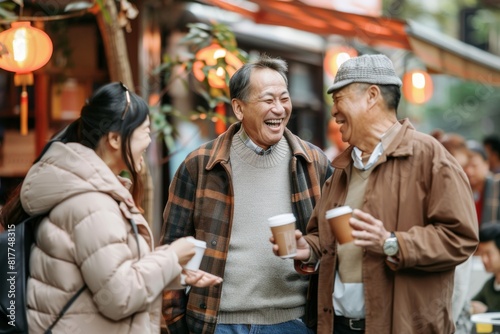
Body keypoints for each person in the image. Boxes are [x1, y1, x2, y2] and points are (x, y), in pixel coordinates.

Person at [272, 54, 479, 333]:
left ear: (371, 96)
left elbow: (461, 238)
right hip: (338, 326)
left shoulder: (430, 157)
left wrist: (392, 243)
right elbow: (326, 240)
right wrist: (307, 249)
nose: (333, 112)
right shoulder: (343, 169)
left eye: (339, 99)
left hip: (403, 326)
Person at [0, 82, 222, 333]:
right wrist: (171, 256)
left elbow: (106, 277)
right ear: (115, 139)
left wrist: (176, 274)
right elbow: (118, 296)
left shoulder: (89, 191)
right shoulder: (92, 203)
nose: (149, 141)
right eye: (145, 131)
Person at [160, 55, 333, 334]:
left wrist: (309, 250)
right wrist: (179, 325)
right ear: (239, 108)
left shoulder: (314, 162)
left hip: (293, 323)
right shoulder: (199, 165)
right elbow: (171, 250)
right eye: (268, 100)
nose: (279, 109)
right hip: (219, 324)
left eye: (284, 98)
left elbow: (332, 242)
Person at [464, 141, 500, 227]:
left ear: (486, 165)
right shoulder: (458, 191)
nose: (469, 171)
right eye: (465, 166)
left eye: (474, 166)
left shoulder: (497, 187)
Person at [471, 221, 500, 314]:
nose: (483, 259)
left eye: (488, 253)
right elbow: (472, 303)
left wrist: (486, 312)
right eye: (481, 254)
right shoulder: (490, 285)